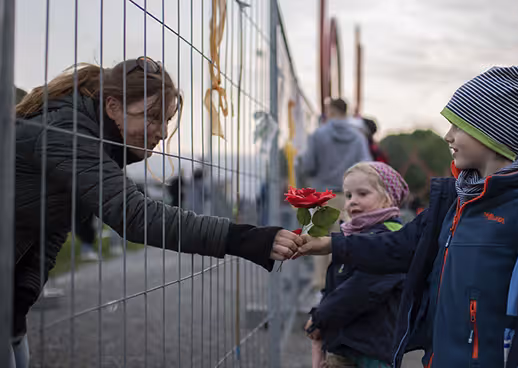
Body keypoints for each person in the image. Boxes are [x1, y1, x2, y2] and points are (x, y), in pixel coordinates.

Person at [11, 57, 301, 367]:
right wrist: (245, 239)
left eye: (167, 120)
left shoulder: (93, 138)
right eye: (151, 117)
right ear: (112, 106)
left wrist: (22, 296)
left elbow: (51, 227)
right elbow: (136, 216)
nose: (162, 132)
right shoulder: (67, 133)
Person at [297, 66, 518, 367]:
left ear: (489, 130)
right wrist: (331, 245)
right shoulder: (451, 202)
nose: (448, 136)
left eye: (458, 126)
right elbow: (398, 246)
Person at [304, 162, 409, 368]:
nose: (352, 202)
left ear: (388, 198)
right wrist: (320, 312)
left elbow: (361, 289)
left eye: (363, 194)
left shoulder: (391, 240)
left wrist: (321, 318)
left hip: (371, 350)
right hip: (342, 344)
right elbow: (335, 285)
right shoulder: (350, 238)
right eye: (349, 195)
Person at [297, 97, 371, 295]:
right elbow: (366, 166)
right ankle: (339, 286)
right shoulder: (358, 137)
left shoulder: (317, 136)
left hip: (321, 195)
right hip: (348, 196)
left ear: (329, 110)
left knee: (316, 242)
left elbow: (308, 166)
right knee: (341, 241)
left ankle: (320, 288)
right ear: (346, 112)